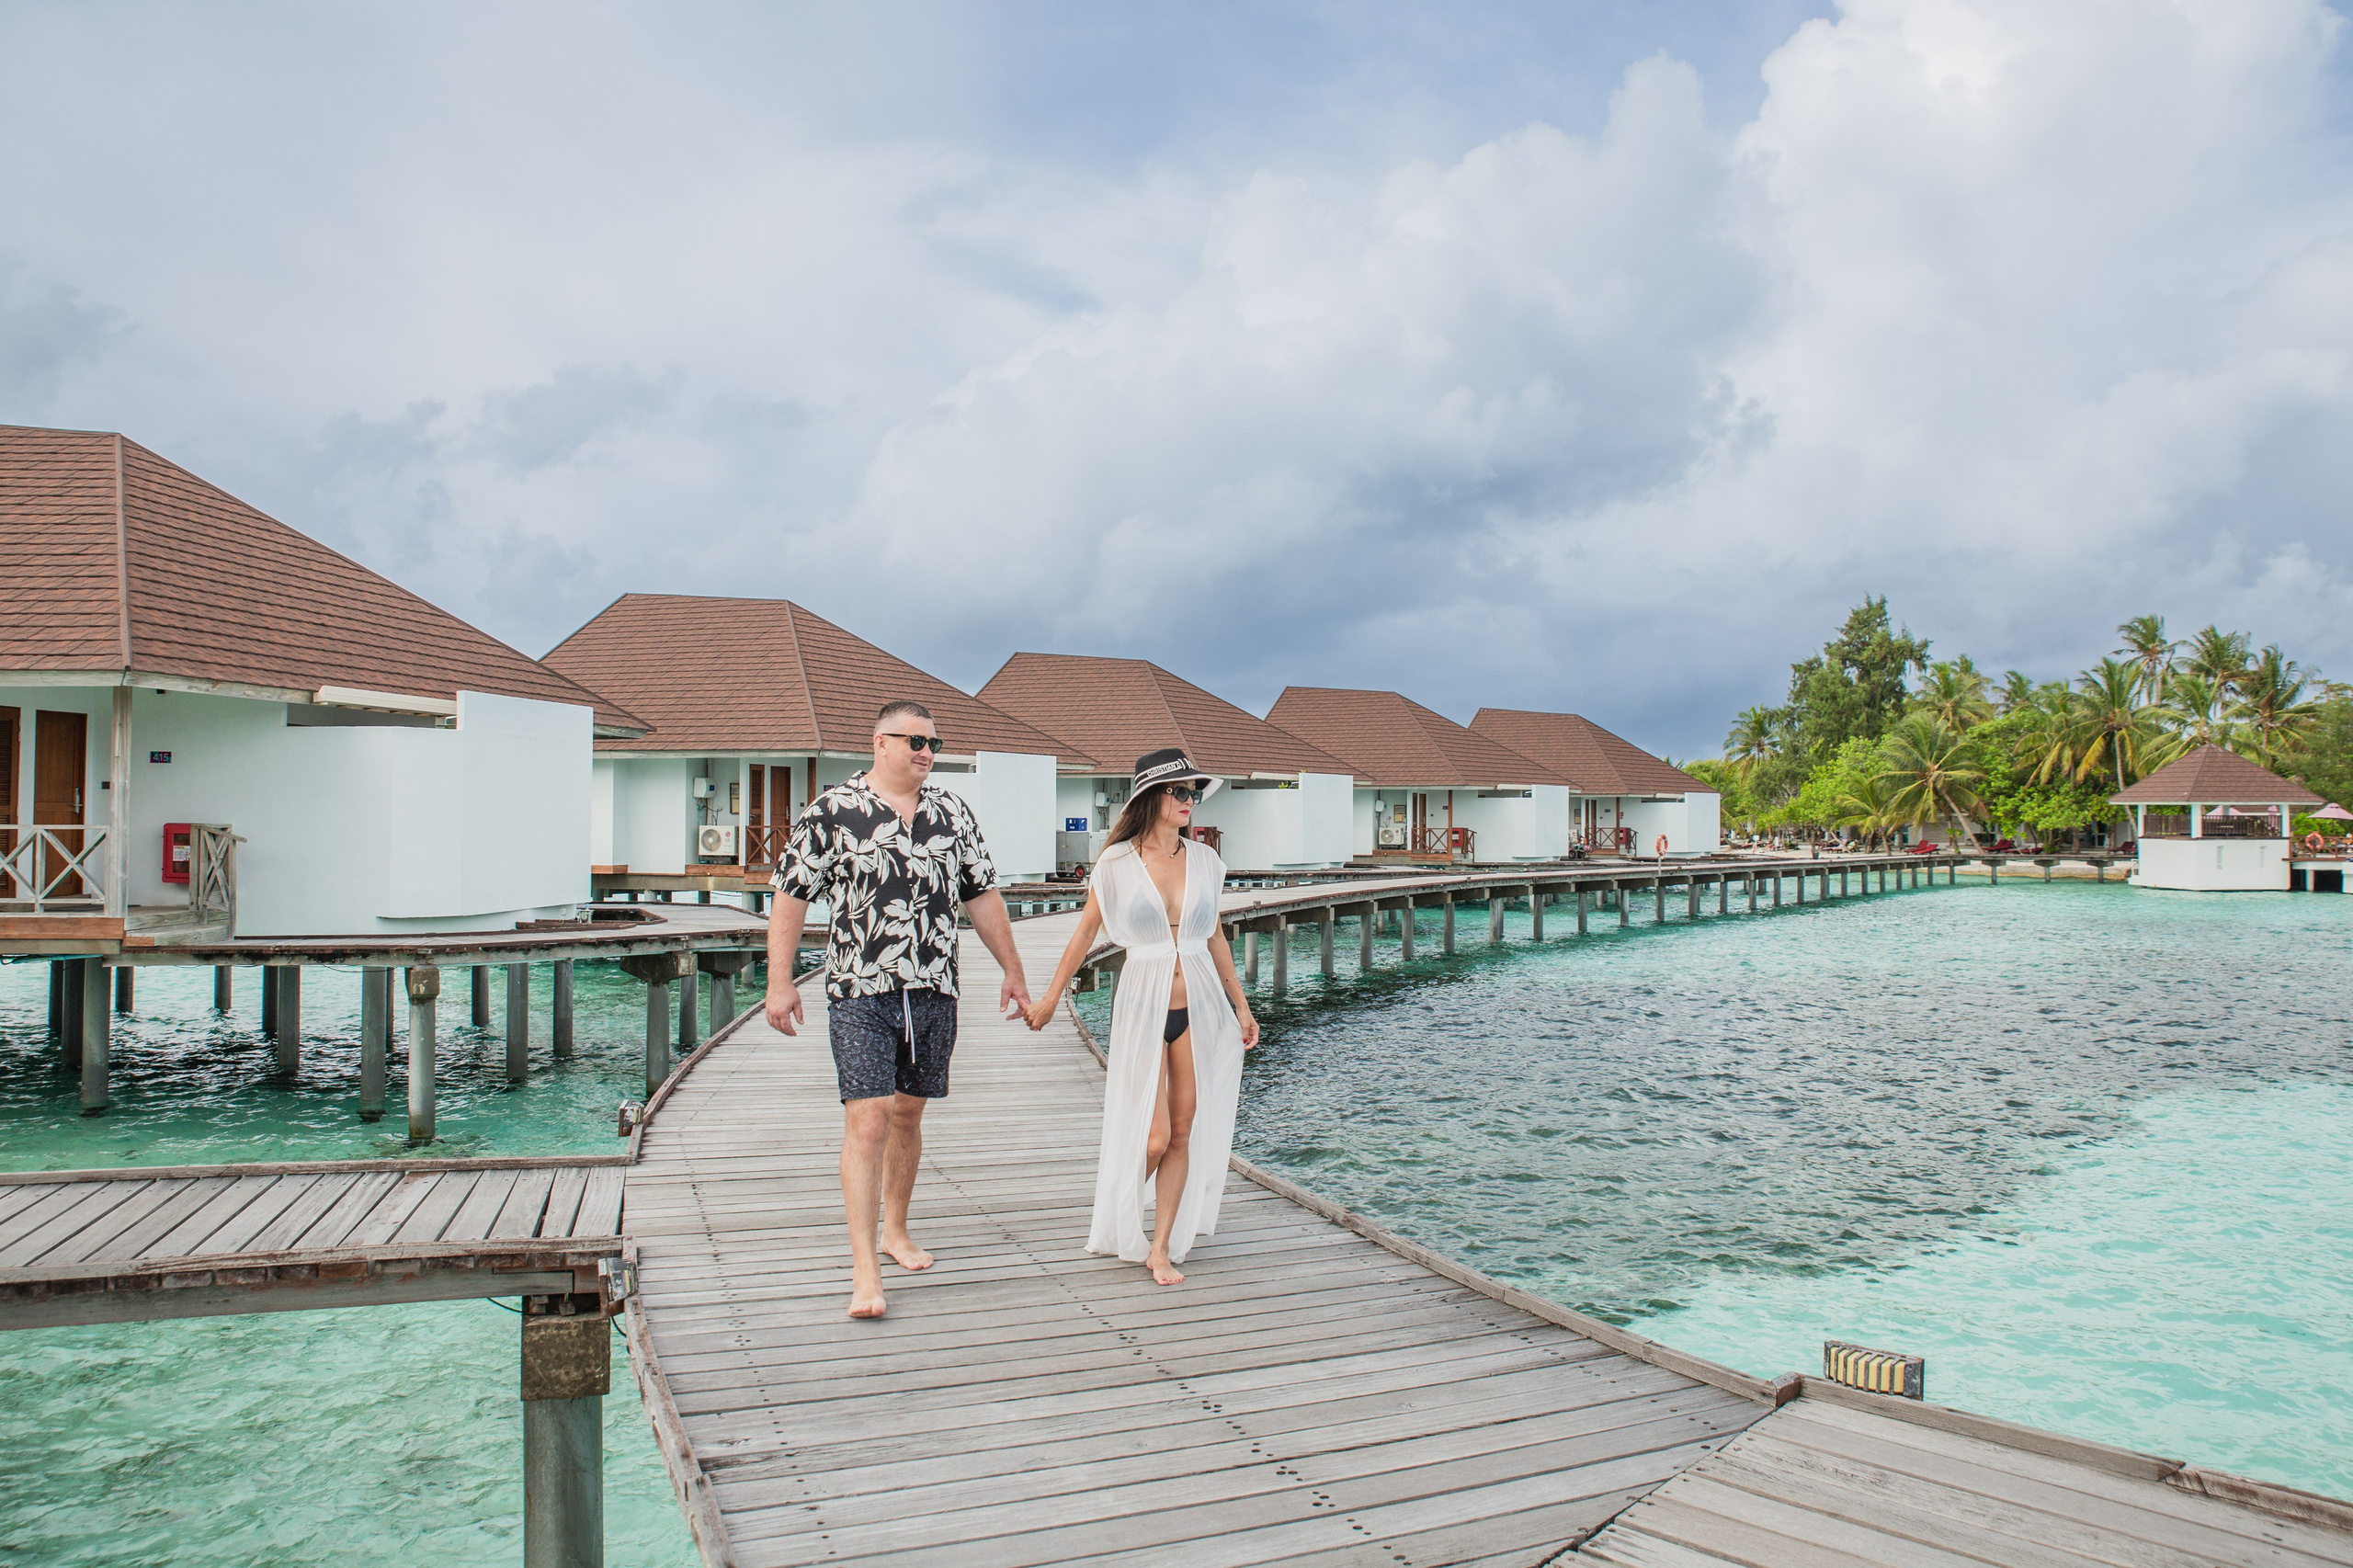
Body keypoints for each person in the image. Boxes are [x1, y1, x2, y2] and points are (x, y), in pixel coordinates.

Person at [765, 699, 1032, 1319]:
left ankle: (895, 1230)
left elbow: (983, 895)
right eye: (913, 740)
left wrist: (1015, 972)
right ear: (878, 743)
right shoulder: (833, 812)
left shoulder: (951, 814)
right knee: (870, 1119)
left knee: (909, 1115)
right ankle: (864, 1269)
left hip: (935, 987)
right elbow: (790, 896)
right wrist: (780, 984)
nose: (925, 752)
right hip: (859, 991)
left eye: (933, 743)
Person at [1025, 749, 1259, 1285]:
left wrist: (1241, 1006)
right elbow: (1086, 934)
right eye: (1179, 792)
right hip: (1143, 1001)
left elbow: (1215, 935)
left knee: (1182, 1133)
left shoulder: (1205, 861)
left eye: (1193, 792)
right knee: (1153, 1137)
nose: (1189, 802)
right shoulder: (1117, 864)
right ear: (1151, 798)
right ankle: (1119, 1210)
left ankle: (1160, 1246)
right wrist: (1049, 999)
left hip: (1199, 1005)